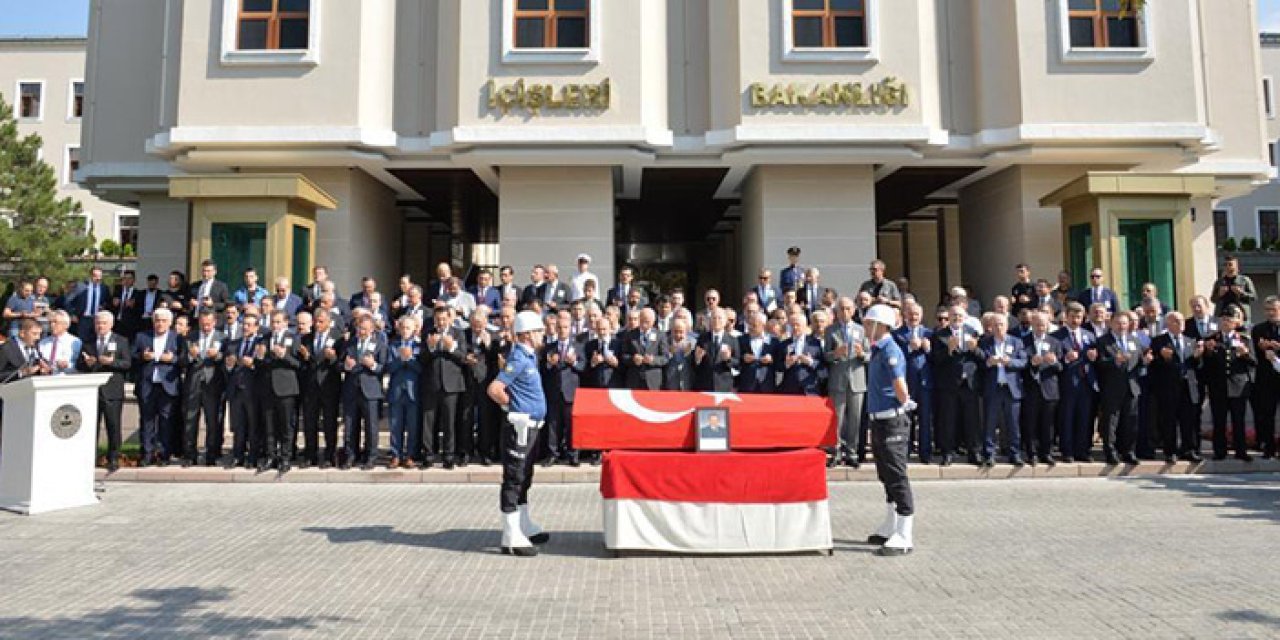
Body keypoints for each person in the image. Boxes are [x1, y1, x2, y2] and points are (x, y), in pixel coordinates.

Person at [488, 310, 550, 557]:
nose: (541, 335)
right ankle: (510, 535)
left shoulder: (529, 356)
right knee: (514, 477)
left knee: (525, 476)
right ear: (526, 334)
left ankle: (523, 524)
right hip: (520, 427)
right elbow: (495, 388)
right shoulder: (520, 358)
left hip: (532, 427)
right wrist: (510, 408)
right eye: (538, 331)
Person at [861, 304, 916, 557]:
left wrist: (905, 401)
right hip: (879, 420)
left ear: (881, 325)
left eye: (868, 323)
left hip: (892, 421)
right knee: (885, 475)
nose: (865, 327)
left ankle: (905, 532)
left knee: (897, 475)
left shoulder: (890, 350)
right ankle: (890, 524)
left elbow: (899, 385)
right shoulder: (877, 349)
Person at [78, 311, 131, 472]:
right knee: (91, 426)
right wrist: (87, 363)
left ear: (111, 324)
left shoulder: (121, 341)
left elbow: (127, 364)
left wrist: (111, 362)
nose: (100, 326)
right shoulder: (88, 343)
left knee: (113, 425)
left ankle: (114, 457)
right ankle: (90, 457)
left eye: (103, 323)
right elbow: (80, 365)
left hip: (112, 390)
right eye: (97, 323)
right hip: (93, 391)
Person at [1148, 312, 1204, 463]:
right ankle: (1170, 451)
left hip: (1188, 386)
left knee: (1188, 420)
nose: (1181, 323)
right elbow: (1153, 365)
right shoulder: (1158, 341)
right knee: (1169, 421)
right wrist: (1162, 358)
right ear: (1168, 323)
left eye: (1181, 320)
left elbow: (1196, 366)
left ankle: (1189, 449)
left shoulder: (1190, 341)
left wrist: (1198, 357)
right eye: (1176, 321)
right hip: (1168, 387)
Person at [1094, 311, 1149, 465]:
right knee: (1111, 422)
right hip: (1112, 388)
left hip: (1132, 387)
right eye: (1118, 323)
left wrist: (1145, 361)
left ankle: (1129, 452)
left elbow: (1138, 363)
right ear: (1111, 323)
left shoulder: (1134, 340)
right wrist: (1115, 361)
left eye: (1124, 323)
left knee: (1131, 421)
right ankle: (1110, 451)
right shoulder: (1103, 341)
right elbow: (1099, 364)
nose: (1122, 326)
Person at [1202, 308, 1254, 461]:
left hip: (1238, 386)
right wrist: (1208, 352)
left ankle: (1241, 451)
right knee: (1219, 420)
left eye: (1229, 320)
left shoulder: (1244, 339)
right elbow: (1204, 365)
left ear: (1235, 322)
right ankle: (1220, 451)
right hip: (1218, 386)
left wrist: (1244, 353)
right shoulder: (1212, 339)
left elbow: (1253, 363)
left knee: (1238, 420)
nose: (1225, 323)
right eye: (1223, 319)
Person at [978, 312, 1027, 467]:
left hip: (1011, 389)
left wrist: (1010, 362)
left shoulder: (1017, 342)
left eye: (1002, 324)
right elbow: (978, 363)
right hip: (993, 388)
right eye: (996, 325)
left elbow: (1024, 362)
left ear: (1007, 326)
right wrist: (988, 362)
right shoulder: (985, 343)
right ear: (990, 327)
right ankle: (989, 454)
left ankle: (1014, 453)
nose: (999, 327)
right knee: (990, 423)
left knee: (1013, 423)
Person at [135, 308, 183, 466]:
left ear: (170, 323)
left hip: (167, 385)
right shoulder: (142, 336)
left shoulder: (177, 338)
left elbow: (184, 359)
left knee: (166, 421)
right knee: (147, 420)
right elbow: (132, 356)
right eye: (157, 320)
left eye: (163, 321)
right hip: (147, 384)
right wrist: (143, 356)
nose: (160, 324)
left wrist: (173, 359)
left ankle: (164, 454)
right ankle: (147, 454)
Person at [421, 306, 468, 468]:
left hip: (451, 384)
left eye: (443, 319)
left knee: (450, 422)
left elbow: (463, 358)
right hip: (431, 383)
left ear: (449, 319)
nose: (440, 322)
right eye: (437, 319)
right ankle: (428, 454)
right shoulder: (428, 332)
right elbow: (422, 358)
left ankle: (449, 455)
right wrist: (431, 347)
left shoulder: (458, 333)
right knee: (429, 421)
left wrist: (451, 348)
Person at [824, 297, 868, 467]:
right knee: (837, 419)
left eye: (848, 308)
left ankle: (852, 452)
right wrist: (835, 354)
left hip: (857, 380)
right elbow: (825, 355)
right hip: (838, 380)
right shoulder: (830, 331)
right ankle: (836, 451)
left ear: (854, 310)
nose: (845, 312)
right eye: (842, 309)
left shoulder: (861, 330)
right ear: (837, 311)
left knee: (855, 419)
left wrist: (862, 354)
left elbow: (870, 354)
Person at [1052, 302, 1097, 462]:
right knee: (1067, 418)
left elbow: (1094, 355)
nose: (1075, 320)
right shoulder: (1057, 336)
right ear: (1066, 316)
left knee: (1085, 417)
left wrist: (1093, 357)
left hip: (1086, 382)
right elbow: (1054, 360)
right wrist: (1065, 359)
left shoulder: (1089, 335)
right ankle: (1068, 451)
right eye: (1072, 317)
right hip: (1067, 383)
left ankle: (1083, 450)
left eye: (1079, 317)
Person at [179, 310, 225, 467]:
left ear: (214, 322)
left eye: (208, 324)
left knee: (212, 421)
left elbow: (227, 360)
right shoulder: (191, 337)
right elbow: (182, 360)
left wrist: (217, 356)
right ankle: (189, 454)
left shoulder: (222, 337)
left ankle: (211, 454)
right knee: (190, 420)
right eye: (203, 324)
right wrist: (191, 356)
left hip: (212, 384)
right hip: (193, 384)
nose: (205, 327)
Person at [300, 308, 343, 468]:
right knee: (310, 422)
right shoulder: (306, 338)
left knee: (329, 423)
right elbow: (302, 363)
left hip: (329, 385)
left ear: (329, 322)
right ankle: (310, 454)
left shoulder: (337, 338)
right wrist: (305, 358)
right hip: (310, 386)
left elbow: (340, 363)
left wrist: (333, 358)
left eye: (321, 322)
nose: (317, 325)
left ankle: (329, 455)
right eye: (315, 321)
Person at [342, 316, 386, 470]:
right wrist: (346, 366)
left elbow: (383, 368)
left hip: (370, 391)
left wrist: (373, 365)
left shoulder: (379, 345)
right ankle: (350, 455)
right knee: (350, 425)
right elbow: (339, 364)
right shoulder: (350, 343)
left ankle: (371, 457)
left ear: (372, 329)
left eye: (366, 329)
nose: (362, 331)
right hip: (351, 390)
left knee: (371, 427)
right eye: (360, 328)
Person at [259, 310, 301, 472]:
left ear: (285, 323)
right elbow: (261, 363)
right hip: (268, 388)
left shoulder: (293, 338)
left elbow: (299, 364)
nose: (275, 325)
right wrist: (260, 357)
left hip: (286, 388)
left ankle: (285, 457)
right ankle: (271, 456)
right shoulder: (266, 338)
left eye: (278, 322)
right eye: (272, 322)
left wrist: (284, 355)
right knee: (269, 426)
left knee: (286, 426)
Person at [541, 312, 584, 466]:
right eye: (559, 327)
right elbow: (543, 369)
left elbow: (584, 367)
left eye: (565, 327)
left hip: (571, 392)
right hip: (554, 391)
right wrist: (550, 364)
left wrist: (574, 363)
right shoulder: (549, 347)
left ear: (570, 328)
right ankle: (553, 454)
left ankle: (573, 455)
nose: (562, 330)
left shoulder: (578, 346)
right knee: (553, 425)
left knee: (572, 425)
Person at [893, 302, 933, 464]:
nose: (913, 317)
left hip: (925, 382)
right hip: (906, 383)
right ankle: (905, 452)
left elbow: (937, 358)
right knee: (905, 420)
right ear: (905, 315)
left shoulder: (929, 333)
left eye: (916, 314)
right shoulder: (897, 334)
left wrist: (928, 349)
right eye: (910, 313)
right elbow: (895, 357)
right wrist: (909, 347)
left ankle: (925, 453)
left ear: (921, 316)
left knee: (925, 419)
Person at [1021, 311, 1063, 465]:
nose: (1040, 328)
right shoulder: (1023, 341)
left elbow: (1061, 367)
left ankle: (1046, 452)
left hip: (1049, 389)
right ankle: (1032, 453)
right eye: (1037, 324)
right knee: (1030, 423)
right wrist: (1031, 363)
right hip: (1030, 388)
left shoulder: (1055, 342)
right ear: (1032, 324)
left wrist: (1053, 362)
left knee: (1048, 424)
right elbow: (1019, 364)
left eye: (1043, 325)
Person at [386, 316, 423, 469]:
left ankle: (410, 455)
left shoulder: (419, 346)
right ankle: (396, 454)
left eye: (409, 328)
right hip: (396, 390)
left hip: (413, 390)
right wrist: (401, 359)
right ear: (399, 329)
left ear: (415, 329)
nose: (405, 331)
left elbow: (422, 369)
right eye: (403, 328)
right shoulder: (393, 345)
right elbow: (389, 367)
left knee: (413, 425)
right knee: (396, 424)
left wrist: (409, 359)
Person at [1252, 297, 1280, 460]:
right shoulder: (1259, 329)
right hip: (1266, 378)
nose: (1270, 313)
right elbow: (1256, 349)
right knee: (1267, 414)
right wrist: (1263, 348)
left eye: (1274, 310)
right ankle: (1268, 447)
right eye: (1267, 310)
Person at [620, 309, 668, 390]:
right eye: (642, 320)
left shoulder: (660, 335)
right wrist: (633, 359)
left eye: (647, 321)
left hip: (653, 380)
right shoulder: (630, 335)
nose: (644, 324)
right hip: (634, 380)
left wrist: (653, 360)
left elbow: (665, 357)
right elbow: (623, 356)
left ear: (653, 321)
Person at [694, 308, 740, 392]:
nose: (716, 321)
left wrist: (728, 359)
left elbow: (738, 364)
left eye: (719, 318)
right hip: (705, 385)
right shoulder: (702, 338)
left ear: (725, 321)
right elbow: (695, 363)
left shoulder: (733, 340)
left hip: (724, 386)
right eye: (714, 318)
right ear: (710, 320)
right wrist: (697, 359)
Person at [779, 311, 823, 396]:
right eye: (792, 325)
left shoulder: (815, 343)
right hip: (789, 390)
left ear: (804, 326)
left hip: (810, 389)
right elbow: (778, 367)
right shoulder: (784, 344)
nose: (795, 328)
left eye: (797, 325)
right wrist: (786, 364)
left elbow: (823, 367)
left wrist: (810, 362)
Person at [737, 311, 776, 394]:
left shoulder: (773, 341)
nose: (750, 327)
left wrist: (771, 359)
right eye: (749, 324)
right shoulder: (741, 339)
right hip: (746, 385)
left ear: (763, 326)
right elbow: (735, 359)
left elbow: (780, 362)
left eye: (754, 325)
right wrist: (743, 358)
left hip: (766, 384)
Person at [70, 267, 113, 341]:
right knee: (82, 341)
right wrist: (72, 313)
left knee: (96, 341)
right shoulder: (81, 286)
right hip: (84, 319)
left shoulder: (104, 288)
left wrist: (104, 307)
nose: (98, 278)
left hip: (98, 319)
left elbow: (108, 302)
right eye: (95, 276)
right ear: (90, 276)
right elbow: (69, 301)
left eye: (100, 276)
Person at [1211, 255, 1257, 322]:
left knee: (1242, 332)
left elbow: (1254, 297)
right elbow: (1213, 299)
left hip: (1241, 315)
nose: (1227, 267)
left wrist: (1241, 293)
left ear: (1236, 266)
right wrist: (1219, 294)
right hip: (1222, 315)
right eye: (1225, 265)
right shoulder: (1219, 282)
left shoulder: (1245, 280)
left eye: (1230, 264)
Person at [37, 311, 81, 375]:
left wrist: (67, 365)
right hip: (45, 380)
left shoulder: (76, 342)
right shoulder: (42, 343)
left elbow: (81, 365)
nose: (52, 325)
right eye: (50, 322)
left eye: (55, 322)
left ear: (66, 325)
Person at [663, 318, 697, 392]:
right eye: (675, 331)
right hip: (670, 386)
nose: (678, 335)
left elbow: (696, 364)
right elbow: (662, 361)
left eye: (681, 332)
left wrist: (689, 354)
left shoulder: (693, 343)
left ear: (686, 332)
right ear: (671, 331)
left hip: (687, 385)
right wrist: (670, 354)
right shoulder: (665, 343)